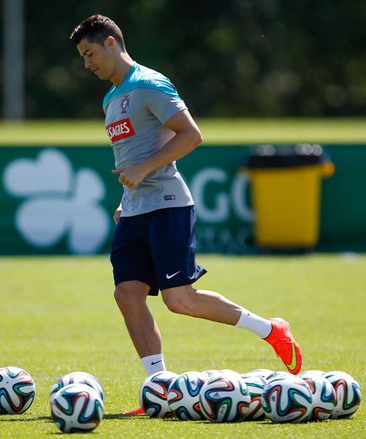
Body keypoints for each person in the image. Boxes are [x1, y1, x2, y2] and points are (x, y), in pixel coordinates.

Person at [70, 14, 303, 414]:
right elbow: (132, 156)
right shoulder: (110, 98)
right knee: (127, 294)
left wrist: (143, 171)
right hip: (135, 211)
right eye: (82, 57)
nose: (87, 64)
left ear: (111, 43)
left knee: (180, 300)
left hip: (168, 206)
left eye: (90, 53)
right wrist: (126, 202)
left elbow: (192, 135)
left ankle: (270, 329)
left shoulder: (150, 83)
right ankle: (158, 389)